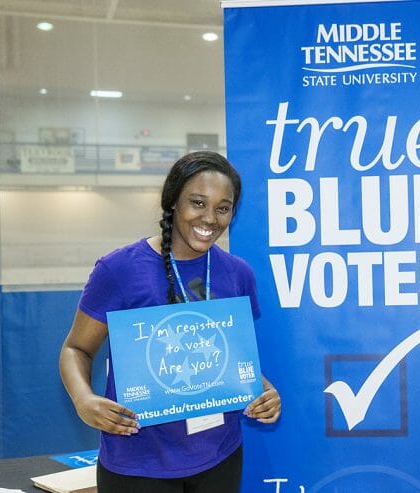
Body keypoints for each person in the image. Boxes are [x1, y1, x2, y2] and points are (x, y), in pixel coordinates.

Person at [59, 151, 281, 493]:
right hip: (137, 465)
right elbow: (76, 349)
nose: (210, 218)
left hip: (220, 457)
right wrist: (83, 400)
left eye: (223, 208)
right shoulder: (118, 270)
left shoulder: (238, 274)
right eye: (198, 203)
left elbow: (231, 362)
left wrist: (263, 391)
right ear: (173, 201)